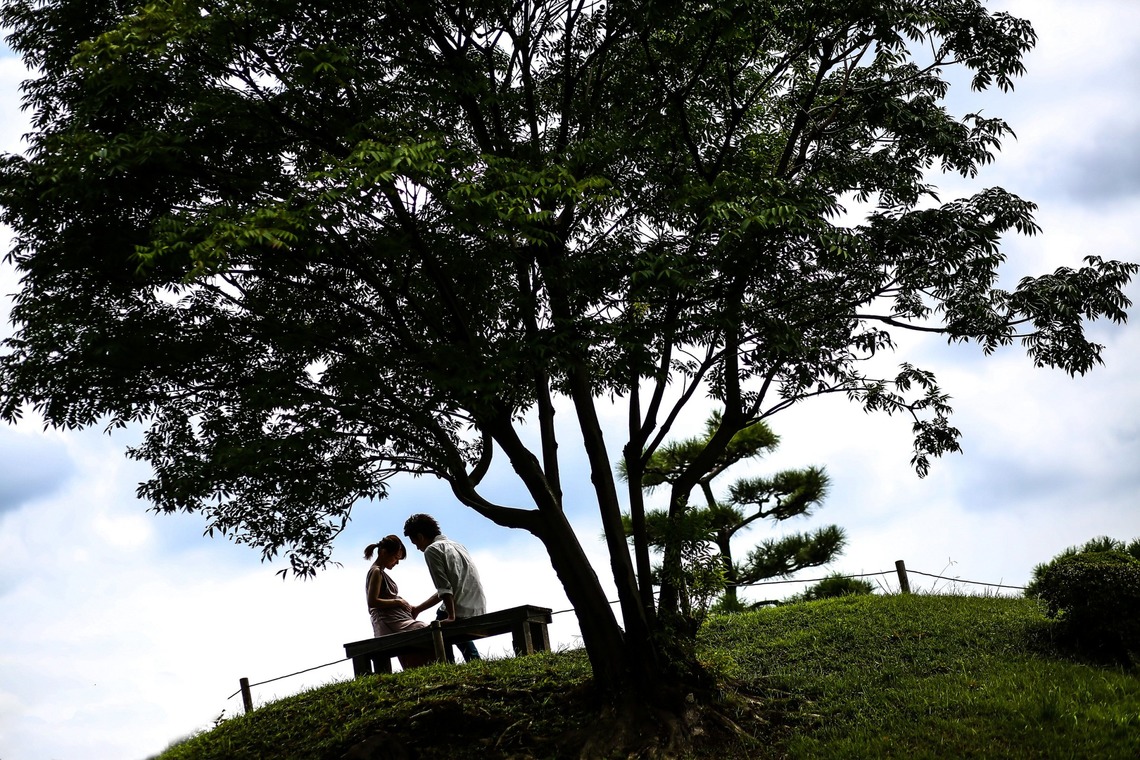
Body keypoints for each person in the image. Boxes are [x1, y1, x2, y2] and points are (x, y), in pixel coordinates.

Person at [403, 513, 486, 663]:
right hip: (477, 608)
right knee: (446, 620)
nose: (417, 548)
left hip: (460, 610)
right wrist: (418, 609)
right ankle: (474, 660)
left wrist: (451, 617)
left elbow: (445, 589)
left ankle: (448, 665)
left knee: (438, 628)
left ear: (420, 537)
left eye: (415, 543)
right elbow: (447, 590)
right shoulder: (458, 546)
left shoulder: (432, 550)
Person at [364, 534, 433, 669]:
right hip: (390, 622)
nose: (397, 562)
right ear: (384, 553)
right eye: (395, 558)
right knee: (422, 629)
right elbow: (372, 601)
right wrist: (398, 603)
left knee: (417, 645)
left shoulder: (381, 572)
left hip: (397, 619)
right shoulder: (376, 572)